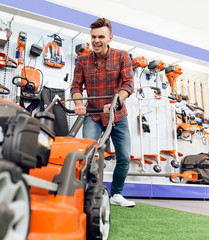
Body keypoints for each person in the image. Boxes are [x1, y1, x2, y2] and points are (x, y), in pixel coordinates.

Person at [70, 17, 135, 207]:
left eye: (101, 36)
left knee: (123, 157)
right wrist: (78, 102)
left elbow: (128, 84)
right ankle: (90, 193)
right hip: (94, 115)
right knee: (88, 154)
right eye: (93, 37)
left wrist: (115, 103)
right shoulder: (82, 61)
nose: (96, 40)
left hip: (118, 116)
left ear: (110, 38)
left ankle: (116, 195)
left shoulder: (122, 56)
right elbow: (75, 86)